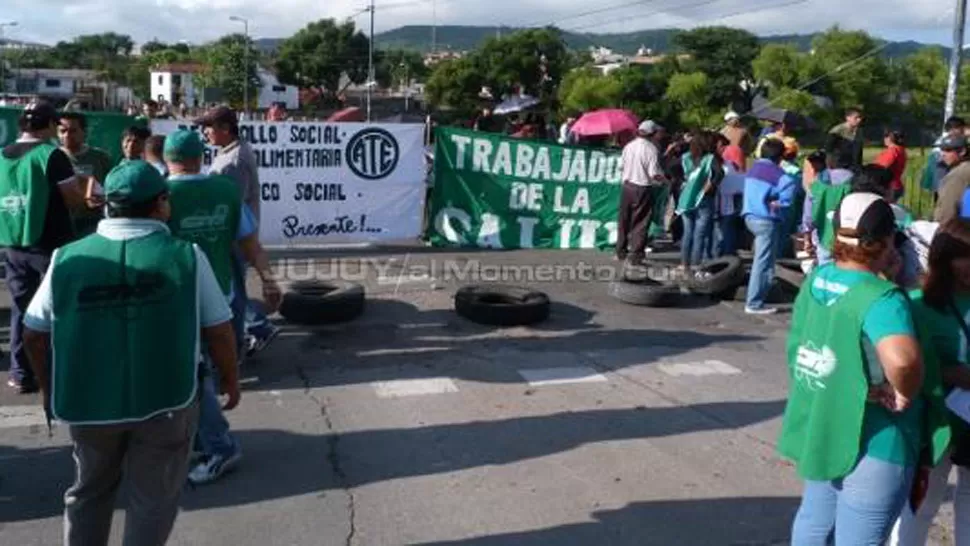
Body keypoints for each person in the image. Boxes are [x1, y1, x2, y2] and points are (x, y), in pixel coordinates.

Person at [21, 160, 240, 546]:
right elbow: (220, 332)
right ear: (160, 204)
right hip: (167, 402)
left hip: (89, 405)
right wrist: (231, 380)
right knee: (153, 498)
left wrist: (48, 388)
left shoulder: (67, 258)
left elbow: (34, 333)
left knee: (89, 491)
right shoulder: (186, 256)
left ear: (107, 205)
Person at [780, 191, 950, 545]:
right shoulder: (882, 298)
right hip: (878, 439)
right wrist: (904, 391)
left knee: (814, 525)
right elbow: (903, 359)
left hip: (826, 423)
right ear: (886, 239)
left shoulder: (818, 279)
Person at [163, 129, 281, 485]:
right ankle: (205, 438)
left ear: (168, 159)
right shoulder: (225, 191)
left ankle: (219, 445)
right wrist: (270, 281)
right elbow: (251, 245)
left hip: (175, 299)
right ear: (201, 157)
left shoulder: (160, 195)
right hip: (221, 297)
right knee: (202, 374)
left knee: (194, 378)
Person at [889, 218, 970, 546]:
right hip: (935, 419)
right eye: (964, 256)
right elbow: (904, 365)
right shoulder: (917, 304)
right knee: (923, 503)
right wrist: (951, 374)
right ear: (943, 258)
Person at [0, 101, 89, 393]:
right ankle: (58, 371)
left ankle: (21, 372)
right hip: (51, 242)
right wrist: (89, 200)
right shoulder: (51, 155)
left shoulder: (2, 155)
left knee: (21, 308)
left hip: (12, 242)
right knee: (59, 308)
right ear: (49, 125)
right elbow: (73, 198)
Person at [196, 106, 280, 356]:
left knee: (232, 291)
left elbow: (230, 204)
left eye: (209, 127)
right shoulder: (230, 152)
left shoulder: (233, 161)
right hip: (235, 235)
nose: (205, 132)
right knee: (233, 289)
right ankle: (256, 327)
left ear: (225, 128)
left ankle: (258, 328)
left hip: (233, 237)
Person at [741, 138, 797, 315]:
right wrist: (776, 203)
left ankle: (755, 297)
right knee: (764, 263)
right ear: (781, 156)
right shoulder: (781, 175)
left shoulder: (752, 169)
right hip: (766, 220)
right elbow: (787, 200)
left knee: (759, 259)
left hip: (749, 217)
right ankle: (754, 303)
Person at [615, 120, 668, 265]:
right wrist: (666, 181)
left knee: (624, 220)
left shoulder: (629, 146)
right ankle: (636, 255)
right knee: (640, 223)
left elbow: (621, 166)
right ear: (652, 133)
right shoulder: (651, 149)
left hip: (627, 186)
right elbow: (654, 173)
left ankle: (620, 250)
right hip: (642, 188)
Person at [58, 112, 113, 237]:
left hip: (93, 223)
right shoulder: (51, 158)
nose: (67, 135)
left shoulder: (100, 158)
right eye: (63, 131)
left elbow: (111, 188)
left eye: (73, 131)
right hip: (62, 222)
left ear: (84, 132)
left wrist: (103, 198)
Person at [677, 131, 721, 271]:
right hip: (704, 198)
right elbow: (720, 173)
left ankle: (684, 264)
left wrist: (682, 181)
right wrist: (712, 184)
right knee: (700, 234)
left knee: (687, 233)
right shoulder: (710, 158)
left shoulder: (685, 157)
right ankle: (696, 264)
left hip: (686, 199)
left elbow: (671, 168)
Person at [715, 133, 745, 257]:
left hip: (725, 201)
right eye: (722, 146)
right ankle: (726, 254)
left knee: (723, 229)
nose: (724, 149)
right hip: (723, 201)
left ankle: (725, 254)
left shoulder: (727, 163)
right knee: (725, 229)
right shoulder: (722, 163)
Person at [923, 116, 967, 199]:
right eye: (962, 128)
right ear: (954, 128)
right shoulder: (948, 142)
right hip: (944, 183)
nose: (963, 131)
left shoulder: (949, 139)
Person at [934, 135, 970, 225]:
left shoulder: (958, 175)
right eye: (942, 149)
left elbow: (948, 210)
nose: (943, 154)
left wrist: (940, 227)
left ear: (962, 151)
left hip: (955, 231)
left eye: (948, 150)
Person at [874, 129, 908, 202]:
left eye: (886, 136)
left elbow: (881, 167)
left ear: (891, 138)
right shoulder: (901, 149)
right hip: (896, 185)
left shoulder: (893, 150)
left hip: (889, 186)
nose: (884, 139)